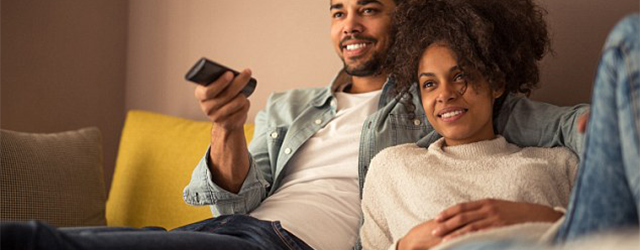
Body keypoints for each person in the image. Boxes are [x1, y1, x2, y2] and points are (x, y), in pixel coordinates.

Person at [0, 0, 588, 249]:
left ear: (403, 19)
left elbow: (575, 130)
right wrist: (228, 129)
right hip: (237, 235)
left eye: (369, 8)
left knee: (42, 240)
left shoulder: (437, 98)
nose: (350, 23)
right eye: (338, 10)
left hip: (289, 245)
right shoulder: (289, 108)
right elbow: (232, 203)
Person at [360, 0, 581, 249]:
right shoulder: (391, 168)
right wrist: (405, 245)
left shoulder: (558, 164)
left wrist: (541, 218)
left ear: (496, 83)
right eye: (430, 84)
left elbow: (612, 236)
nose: (445, 94)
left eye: (459, 76)